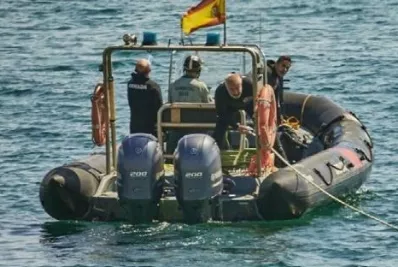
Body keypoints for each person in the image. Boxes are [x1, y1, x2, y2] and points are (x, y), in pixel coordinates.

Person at [212, 73, 254, 149]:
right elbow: (221, 114)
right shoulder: (220, 91)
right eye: (231, 89)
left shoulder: (249, 84)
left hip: (249, 103)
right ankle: (216, 150)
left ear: (241, 84)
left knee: (261, 122)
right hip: (230, 107)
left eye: (237, 88)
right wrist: (236, 126)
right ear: (226, 87)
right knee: (220, 127)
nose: (235, 92)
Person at [127, 59, 163, 136]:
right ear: (149, 70)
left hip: (134, 127)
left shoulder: (130, 84)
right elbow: (160, 107)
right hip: (151, 128)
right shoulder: (153, 86)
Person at [266, 55, 292, 124]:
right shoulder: (267, 74)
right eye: (283, 66)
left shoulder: (279, 75)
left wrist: (281, 115)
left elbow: (279, 98)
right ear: (277, 63)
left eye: (287, 68)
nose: (285, 70)